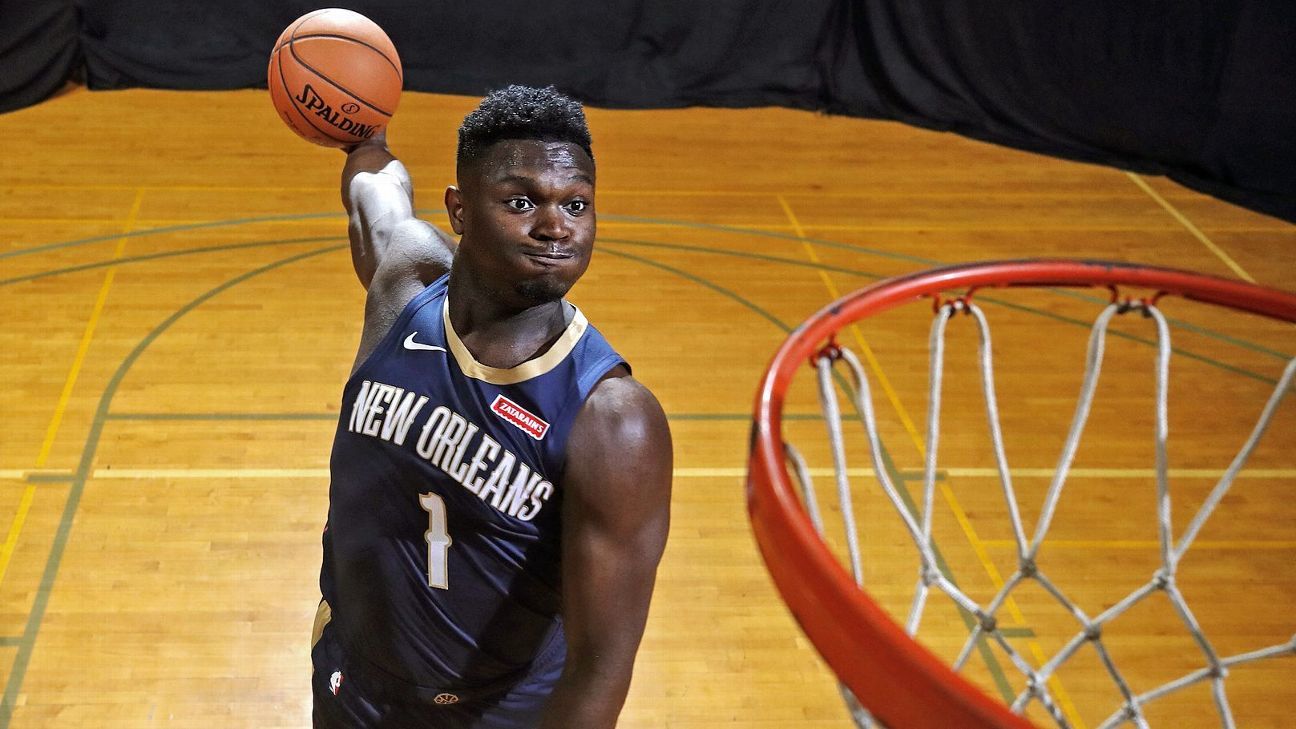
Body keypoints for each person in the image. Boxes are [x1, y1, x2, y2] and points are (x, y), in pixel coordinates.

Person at [311, 85, 673, 728]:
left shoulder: (613, 421)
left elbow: (602, 668)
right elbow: (376, 198)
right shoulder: (405, 287)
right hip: (352, 686)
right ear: (458, 209)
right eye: (522, 201)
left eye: (577, 204)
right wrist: (362, 135)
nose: (556, 225)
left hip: (498, 713)